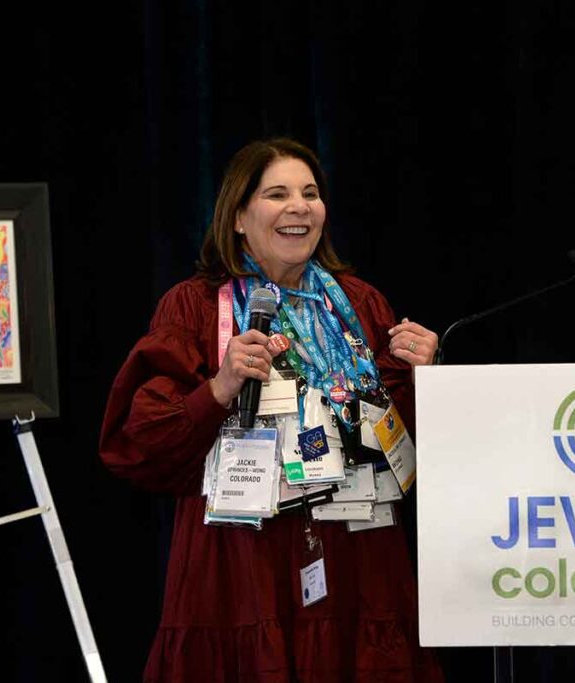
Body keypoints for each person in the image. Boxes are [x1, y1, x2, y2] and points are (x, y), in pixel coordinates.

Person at [100, 138, 444, 682]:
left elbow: (405, 449)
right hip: (240, 564)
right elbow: (138, 446)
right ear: (238, 217)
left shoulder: (360, 305)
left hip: (356, 553)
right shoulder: (192, 307)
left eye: (310, 193)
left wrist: (423, 375)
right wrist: (221, 384)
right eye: (277, 194)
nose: (299, 206)